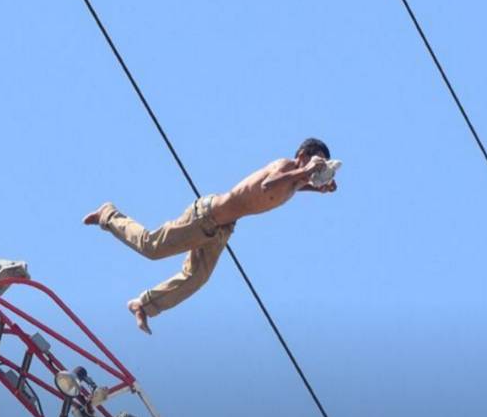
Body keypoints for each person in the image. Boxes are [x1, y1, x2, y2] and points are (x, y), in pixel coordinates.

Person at [83, 138, 338, 334]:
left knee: (196, 278)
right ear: (302, 156)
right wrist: (306, 174)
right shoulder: (285, 166)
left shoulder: (295, 183)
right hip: (206, 216)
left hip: (221, 230)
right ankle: (108, 215)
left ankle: (143, 305)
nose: (316, 169)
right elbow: (267, 185)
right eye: (316, 161)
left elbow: (292, 186)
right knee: (152, 247)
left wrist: (321, 188)